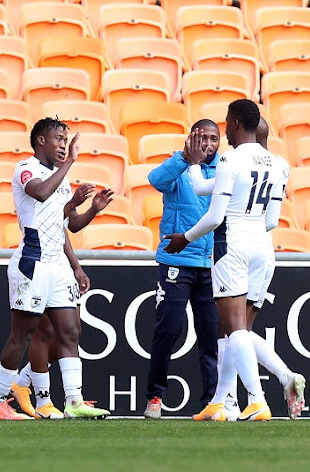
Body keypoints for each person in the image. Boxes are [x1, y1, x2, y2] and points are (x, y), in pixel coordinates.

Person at [165, 99, 290, 421]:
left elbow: (214, 216)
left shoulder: (230, 159)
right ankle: (222, 401)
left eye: (226, 122)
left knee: (234, 329)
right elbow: (272, 220)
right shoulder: (279, 163)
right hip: (263, 246)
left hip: (232, 244)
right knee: (232, 329)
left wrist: (185, 239)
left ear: (234, 122)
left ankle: (260, 398)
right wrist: (194, 165)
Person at [0, 117, 112, 420]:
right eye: (59, 140)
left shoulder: (61, 179)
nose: (63, 146)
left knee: (69, 330)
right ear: (41, 140)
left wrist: (92, 209)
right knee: (23, 335)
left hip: (58, 266)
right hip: (32, 263)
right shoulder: (26, 169)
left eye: (66, 141)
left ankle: (74, 401)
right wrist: (69, 165)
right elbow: (39, 193)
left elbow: (69, 225)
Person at [141, 119, 223, 420]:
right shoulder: (179, 165)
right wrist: (184, 160)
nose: (209, 144)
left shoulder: (222, 171)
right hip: (176, 262)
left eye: (215, 139)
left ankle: (212, 402)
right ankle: (154, 397)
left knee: (210, 336)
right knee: (168, 330)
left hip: (211, 264)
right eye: (204, 138)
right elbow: (155, 180)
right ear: (192, 138)